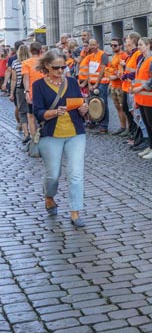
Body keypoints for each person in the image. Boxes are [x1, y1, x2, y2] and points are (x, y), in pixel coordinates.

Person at [32, 50, 89, 227]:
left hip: (75, 133)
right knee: (53, 175)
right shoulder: (38, 85)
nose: (60, 70)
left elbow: (80, 102)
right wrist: (54, 112)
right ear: (47, 66)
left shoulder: (71, 82)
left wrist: (83, 109)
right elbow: (38, 112)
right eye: (56, 67)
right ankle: (49, 196)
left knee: (76, 173)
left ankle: (75, 212)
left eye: (63, 67)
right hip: (51, 134)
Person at [131, 37, 152, 159]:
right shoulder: (142, 60)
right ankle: (151, 146)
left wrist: (140, 88)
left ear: (148, 46)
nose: (139, 47)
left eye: (141, 44)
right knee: (147, 123)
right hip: (142, 98)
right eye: (138, 44)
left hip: (149, 98)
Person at [122, 32, 148, 151]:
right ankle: (140, 137)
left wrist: (126, 74)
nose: (126, 40)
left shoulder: (137, 54)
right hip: (130, 87)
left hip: (135, 88)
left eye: (127, 38)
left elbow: (137, 72)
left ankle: (144, 138)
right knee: (134, 113)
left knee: (138, 114)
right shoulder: (132, 54)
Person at [79, 38, 111, 133]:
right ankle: (94, 122)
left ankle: (104, 126)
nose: (92, 47)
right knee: (93, 103)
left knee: (102, 103)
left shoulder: (103, 55)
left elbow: (102, 70)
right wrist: (89, 84)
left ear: (98, 44)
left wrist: (96, 84)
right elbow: (88, 71)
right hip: (92, 84)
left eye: (93, 45)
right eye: (90, 45)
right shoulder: (90, 56)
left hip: (101, 83)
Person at [23, 42, 45, 142]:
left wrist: (27, 92)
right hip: (45, 91)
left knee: (31, 117)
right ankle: (45, 138)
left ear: (30, 51)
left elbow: (26, 78)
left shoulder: (26, 63)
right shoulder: (44, 62)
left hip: (32, 92)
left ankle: (35, 141)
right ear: (41, 50)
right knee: (45, 116)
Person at [107, 38, 129, 136]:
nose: (113, 47)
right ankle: (122, 126)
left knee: (124, 108)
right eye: (111, 45)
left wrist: (114, 76)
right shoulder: (114, 56)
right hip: (113, 85)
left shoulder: (123, 56)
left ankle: (128, 128)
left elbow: (123, 71)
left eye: (115, 45)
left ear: (120, 46)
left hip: (120, 86)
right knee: (118, 108)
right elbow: (113, 69)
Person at [10, 45, 30, 143]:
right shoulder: (31, 62)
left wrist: (11, 93)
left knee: (22, 112)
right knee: (33, 110)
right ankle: (35, 131)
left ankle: (26, 134)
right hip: (32, 88)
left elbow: (14, 79)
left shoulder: (15, 63)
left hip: (20, 89)